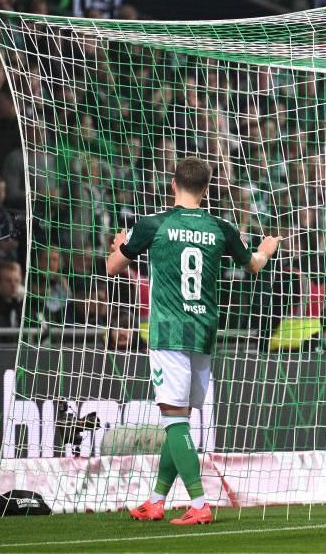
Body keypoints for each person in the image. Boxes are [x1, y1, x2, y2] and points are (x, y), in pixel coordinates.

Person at [106, 157, 281, 525]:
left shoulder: (154, 224)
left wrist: (120, 243)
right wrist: (266, 248)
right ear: (206, 189)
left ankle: (200, 503)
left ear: (173, 184)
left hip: (169, 332)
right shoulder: (221, 228)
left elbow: (112, 267)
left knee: (174, 419)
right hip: (203, 334)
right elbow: (252, 265)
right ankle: (156, 499)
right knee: (180, 417)